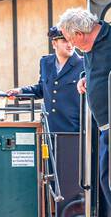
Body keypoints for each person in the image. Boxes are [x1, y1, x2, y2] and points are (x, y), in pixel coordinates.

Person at [8, 26, 83, 200]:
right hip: (50, 131)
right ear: (54, 43)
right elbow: (42, 88)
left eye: (71, 40)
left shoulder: (82, 63)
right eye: (64, 40)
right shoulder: (46, 63)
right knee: (51, 176)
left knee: (71, 180)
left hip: (73, 131)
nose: (70, 44)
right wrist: (20, 92)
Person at [57, 7, 111, 211]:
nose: (71, 45)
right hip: (104, 126)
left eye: (70, 40)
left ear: (79, 34)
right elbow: (97, 69)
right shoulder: (88, 47)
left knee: (108, 179)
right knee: (105, 179)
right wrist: (86, 78)